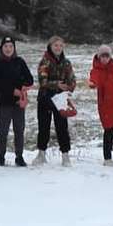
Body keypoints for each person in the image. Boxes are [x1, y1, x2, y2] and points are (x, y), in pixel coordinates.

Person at [0, 36, 34, 167]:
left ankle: (19, 156)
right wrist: (11, 91)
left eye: (11, 47)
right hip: (3, 102)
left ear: (14, 48)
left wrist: (24, 87)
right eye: (6, 47)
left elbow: (29, 79)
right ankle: (1, 157)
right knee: (3, 130)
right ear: (1, 48)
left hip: (18, 102)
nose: (8, 49)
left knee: (19, 129)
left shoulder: (20, 62)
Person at [34, 36, 76, 167]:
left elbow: (72, 79)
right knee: (44, 127)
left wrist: (70, 87)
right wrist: (57, 84)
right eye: (55, 45)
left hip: (61, 98)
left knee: (62, 127)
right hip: (46, 97)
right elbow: (42, 81)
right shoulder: (44, 61)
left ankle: (65, 155)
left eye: (60, 46)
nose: (58, 48)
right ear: (50, 47)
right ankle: (41, 154)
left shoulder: (66, 63)